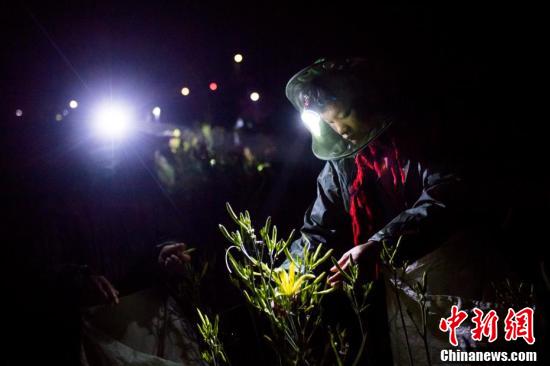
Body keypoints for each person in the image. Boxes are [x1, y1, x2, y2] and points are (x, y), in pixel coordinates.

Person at [284, 58, 540, 365]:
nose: (340, 130)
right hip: (403, 295)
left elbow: (448, 192)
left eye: (345, 116)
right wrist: (290, 273)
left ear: (366, 101)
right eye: (329, 123)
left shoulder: (419, 135)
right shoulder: (341, 163)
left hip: (462, 278)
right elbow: (318, 227)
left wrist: (381, 245)